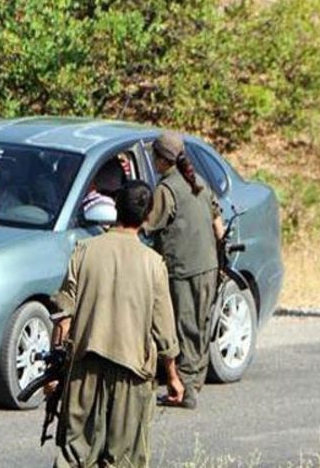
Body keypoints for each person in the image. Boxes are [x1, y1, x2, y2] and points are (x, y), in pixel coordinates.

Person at [51, 180, 184, 468]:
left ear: (115, 209)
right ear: (148, 215)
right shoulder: (153, 263)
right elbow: (163, 330)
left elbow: (63, 316)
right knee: (123, 460)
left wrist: (54, 369)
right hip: (131, 374)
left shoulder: (84, 251)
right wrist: (173, 377)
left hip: (84, 370)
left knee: (73, 455)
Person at [142, 131, 224, 409]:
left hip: (184, 268)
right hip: (207, 265)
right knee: (199, 325)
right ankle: (195, 379)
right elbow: (218, 221)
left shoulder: (167, 189)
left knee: (185, 326)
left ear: (162, 159)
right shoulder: (197, 181)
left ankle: (186, 390)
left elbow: (148, 225)